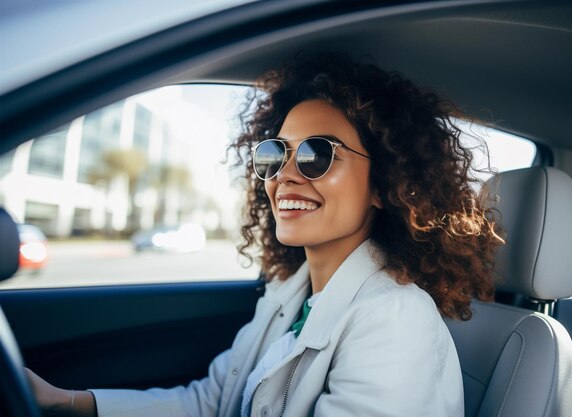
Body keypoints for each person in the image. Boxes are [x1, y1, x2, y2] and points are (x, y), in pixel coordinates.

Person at [26, 52, 504, 417]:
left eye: (317, 155)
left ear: (384, 185)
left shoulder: (394, 320)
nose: (284, 176)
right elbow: (212, 401)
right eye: (275, 155)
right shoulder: (291, 294)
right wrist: (64, 401)